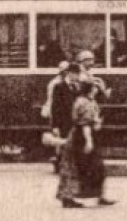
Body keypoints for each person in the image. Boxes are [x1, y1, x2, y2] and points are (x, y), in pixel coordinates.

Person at [64, 70, 112, 208]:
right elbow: (84, 123)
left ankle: (97, 195)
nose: (97, 90)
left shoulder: (87, 101)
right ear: (91, 89)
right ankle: (76, 196)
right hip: (84, 136)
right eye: (96, 87)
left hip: (84, 134)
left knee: (90, 166)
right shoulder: (85, 103)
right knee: (91, 167)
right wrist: (89, 141)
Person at [41, 60, 74, 172]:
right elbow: (53, 102)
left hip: (60, 115)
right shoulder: (55, 84)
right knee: (59, 139)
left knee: (62, 140)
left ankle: (61, 161)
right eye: (63, 71)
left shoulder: (69, 84)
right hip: (55, 114)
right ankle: (59, 161)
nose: (65, 73)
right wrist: (55, 122)